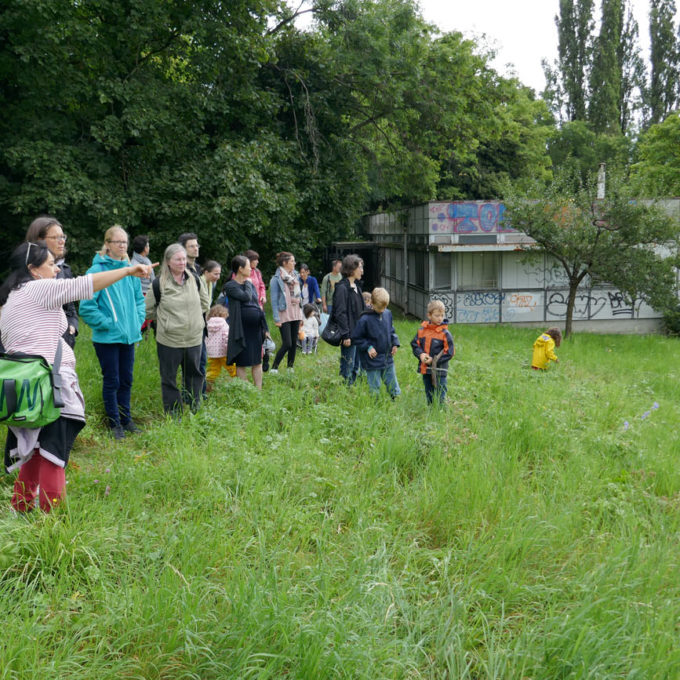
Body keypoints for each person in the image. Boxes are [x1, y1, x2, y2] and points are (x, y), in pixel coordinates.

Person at [0, 240, 153, 513]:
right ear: (33, 269)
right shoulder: (38, 289)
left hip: (24, 390)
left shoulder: (11, 297)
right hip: (50, 386)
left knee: (35, 451)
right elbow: (86, 284)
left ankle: (21, 509)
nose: (57, 270)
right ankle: (54, 523)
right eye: (50, 265)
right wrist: (128, 271)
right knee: (53, 455)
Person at [79, 226, 146, 439]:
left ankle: (126, 420)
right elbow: (87, 308)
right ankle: (114, 423)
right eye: (117, 242)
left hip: (129, 335)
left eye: (124, 242)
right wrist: (108, 323)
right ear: (107, 244)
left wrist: (137, 321)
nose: (122, 245)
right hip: (107, 337)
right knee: (113, 380)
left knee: (126, 379)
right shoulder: (96, 272)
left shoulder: (131, 271)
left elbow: (139, 300)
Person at [145, 244, 209, 415]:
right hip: (169, 340)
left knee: (194, 374)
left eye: (184, 259)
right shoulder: (158, 284)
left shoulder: (195, 279)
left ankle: (194, 406)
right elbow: (148, 310)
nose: (182, 262)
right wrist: (167, 322)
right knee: (169, 378)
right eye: (178, 259)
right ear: (168, 261)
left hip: (194, 338)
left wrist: (194, 322)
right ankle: (174, 412)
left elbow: (205, 304)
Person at [25, 216, 79, 349]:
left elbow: (70, 307)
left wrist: (72, 327)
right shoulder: (25, 270)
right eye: (55, 237)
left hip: (63, 341)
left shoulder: (64, 269)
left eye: (63, 237)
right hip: (35, 343)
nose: (62, 242)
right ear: (39, 240)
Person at [223, 255, 269, 389]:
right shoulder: (230, 286)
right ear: (240, 269)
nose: (251, 269)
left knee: (257, 361)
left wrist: (265, 327)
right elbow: (245, 297)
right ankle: (247, 390)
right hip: (241, 329)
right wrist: (249, 283)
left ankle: (258, 389)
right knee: (241, 362)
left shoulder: (250, 285)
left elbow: (257, 305)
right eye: (248, 266)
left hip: (255, 329)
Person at [351, 288, 400, 398]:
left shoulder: (388, 314)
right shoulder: (364, 319)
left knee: (392, 381)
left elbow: (391, 330)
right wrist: (368, 347)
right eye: (379, 308)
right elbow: (356, 338)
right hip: (372, 359)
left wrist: (395, 343)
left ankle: (395, 399)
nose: (382, 310)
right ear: (371, 303)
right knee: (375, 384)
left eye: (385, 307)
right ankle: (376, 402)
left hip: (387, 357)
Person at [411, 299, 455, 405]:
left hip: (440, 370)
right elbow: (415, 344)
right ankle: (431, 411)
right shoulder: (422, 330)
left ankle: (440, 412)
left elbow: (450, 352)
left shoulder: (445, 333)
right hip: (426, 369)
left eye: (442, 315)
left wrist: (434, 360)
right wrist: (421, 354)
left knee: (440, 394)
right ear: (429, 316)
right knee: (429, 393)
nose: (440, 318)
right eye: (437, 315)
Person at [331, 254, 366, 385]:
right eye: (360, 267)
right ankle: (345, 391)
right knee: (348, 367)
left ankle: (353, 391)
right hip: (349, 335)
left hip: (358, 334)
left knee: (356, 366)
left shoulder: (357, 287)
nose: (362, 271)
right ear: (352, 269)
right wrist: (345, 335)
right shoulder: (342, 287)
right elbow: (340, 313)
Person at [269, 252, 303, 374]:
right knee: (287, 343)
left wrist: (302, 313)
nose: (294, 263)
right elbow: (273, 300)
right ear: (285, 263)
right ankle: (274, 367)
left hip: (296, 311)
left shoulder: (295, 276)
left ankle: (290, 367)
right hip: (284, 313)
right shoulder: (276, 279)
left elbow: (300, 296)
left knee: (294, 342)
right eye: (292, 261)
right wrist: (276, 318)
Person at [205, 305, 230, 392]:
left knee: (212, 370)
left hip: (211, 353)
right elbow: (226, 337)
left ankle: (207, 387)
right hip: (224, 352)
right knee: (232, 369)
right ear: (223, 314)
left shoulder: (207, 324)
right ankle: (239, 383)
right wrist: (229, 350)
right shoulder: (224, 324)